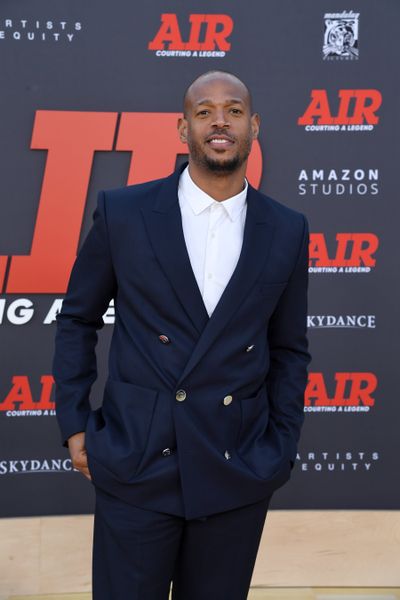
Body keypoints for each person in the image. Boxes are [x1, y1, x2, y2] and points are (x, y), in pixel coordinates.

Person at [53, 70, 311, 600]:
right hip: (136, 466)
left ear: (254, 126)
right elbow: (77, 318)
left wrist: (279, 447)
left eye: (234, 110)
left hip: (235, 469)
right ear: (182, 128)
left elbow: (288, 348)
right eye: (205, 110)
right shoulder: (123, 213)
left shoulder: (286, 228)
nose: (220, 120)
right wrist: (76, 424)